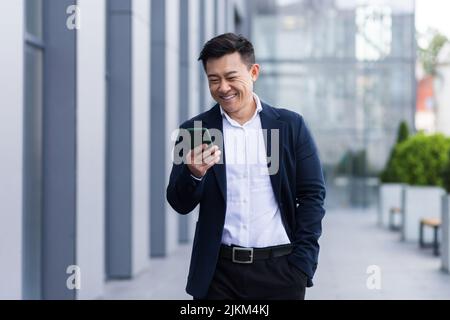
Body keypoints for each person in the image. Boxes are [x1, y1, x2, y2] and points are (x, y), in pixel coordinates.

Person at [166, 33, 326, 300]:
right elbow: (178, 202)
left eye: (231, 77)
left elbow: (312, 195)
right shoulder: (194, 131)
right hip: (218, 276)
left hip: (281, 272)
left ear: (253, 72)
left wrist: (303, 264)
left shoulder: (290, 126)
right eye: (213, 80)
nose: (223, 88)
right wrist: (193, 174)